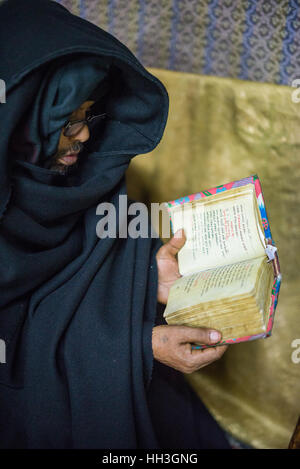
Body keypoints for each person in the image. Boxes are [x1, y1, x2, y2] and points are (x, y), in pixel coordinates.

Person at [0, 0, 230, 448]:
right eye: (66, 123)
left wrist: (152, 279)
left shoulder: (84, 180)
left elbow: (94, 277)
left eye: (90, 115)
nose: (84, 135)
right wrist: (134, 349)